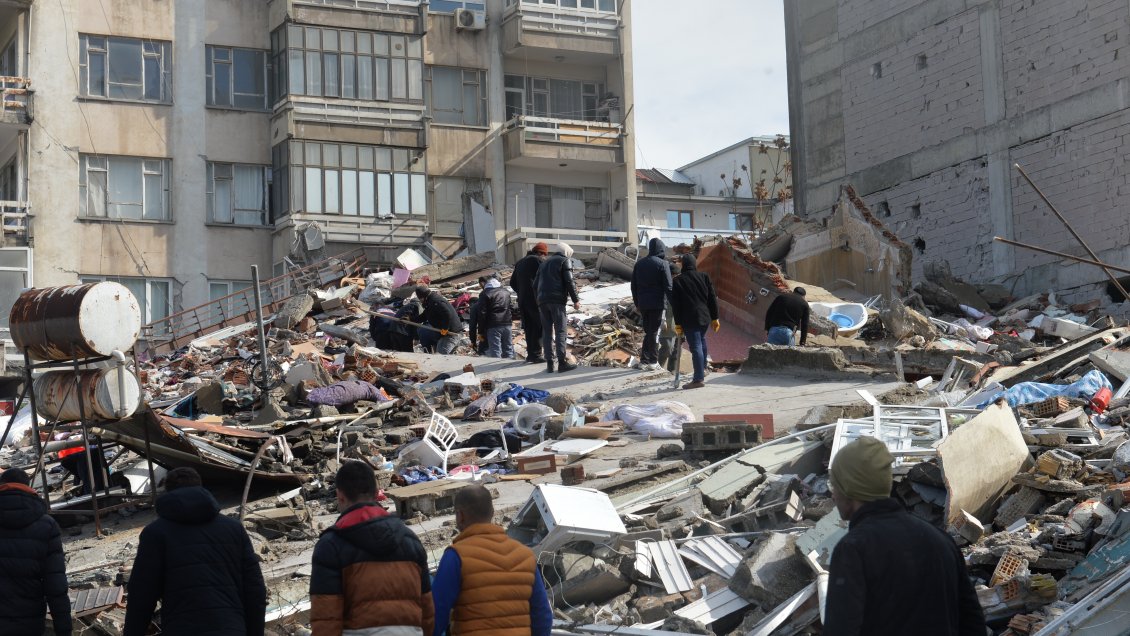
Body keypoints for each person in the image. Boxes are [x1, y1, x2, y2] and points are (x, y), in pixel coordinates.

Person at [823, 437, 986, 636]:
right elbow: (973, 624)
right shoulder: (940, 540)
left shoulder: (853, 549)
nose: (833, 495)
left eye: (835, 486)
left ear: (850, 488)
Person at [124, 467, 266, 636]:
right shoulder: (234, 529)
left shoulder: (155, 534)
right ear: (200, 488)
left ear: (168, 492)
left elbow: (141, 596)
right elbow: (255, 591)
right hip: (231, 628)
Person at [311, 461, 433, 636]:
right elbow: (427, 612)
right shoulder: (410, 540)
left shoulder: (330, 546)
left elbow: (326, 620)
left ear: (340, 496)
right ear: (377, 494)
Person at [432, 484, 552, 636]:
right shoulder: (525, 556)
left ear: (460, 515)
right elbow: (542, 616)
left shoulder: (456, 556)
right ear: (492, 512)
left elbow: (436, 614)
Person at [0, 468, 71, 636]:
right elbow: (56, 585)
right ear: (29, 487)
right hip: (29, 621)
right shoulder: (47, 525)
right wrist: (64, 630)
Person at [670, 253, 720, 390]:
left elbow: (676, 305)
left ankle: (698, 379)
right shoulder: (704, 276)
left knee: (696, 346)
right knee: (701, 341)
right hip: (704, 317)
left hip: (689, 318)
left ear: (683, 265)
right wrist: (715, 317)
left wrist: (678, 323)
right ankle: (703, 369)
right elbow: (712, 298)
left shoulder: (678, 281)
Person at [534, 242, 581, 373]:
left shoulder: (543, 264)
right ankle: (561, 362)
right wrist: (576, 300)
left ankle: (549, 364)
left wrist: (538, 300)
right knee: (560, 331)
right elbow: (569, 281)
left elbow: (535, 285)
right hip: (557, 301)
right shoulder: (564, 261)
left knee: (547, 332)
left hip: (542, 301)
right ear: (566, 252)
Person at [630, 238, 673, 371]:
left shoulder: (639, 264)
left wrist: (637, 303)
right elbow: (668, 286)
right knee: (654, 332)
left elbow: (633, 286)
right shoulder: (663, 264)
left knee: (648, 331)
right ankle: (653, 362)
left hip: (643, 304)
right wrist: (674, 303)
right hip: (657, 304)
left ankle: (644, 361)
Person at [510, 242, 549, 364]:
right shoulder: (538, 261)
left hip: (522, 301)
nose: (545, 257)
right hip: (535, 299)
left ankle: (531, 355)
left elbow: (512, 282)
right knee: (538, 325)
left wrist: (521, 292)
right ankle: (536, 354)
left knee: (529, 327)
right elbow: (547, 278)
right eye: (545, 255)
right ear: (541, 253)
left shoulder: (520, 262)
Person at [416, 285, 464, 354]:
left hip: (451, 333)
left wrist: (445, 328)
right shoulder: (429, 302)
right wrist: (411, 319)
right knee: (446, 356)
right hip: (448, 333)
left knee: (440, 355)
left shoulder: (435, 301)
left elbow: (447, 314)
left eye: (420, 299)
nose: (420, 301)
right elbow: (424, 316)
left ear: (423, 296)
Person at [476, 274, 515, 359]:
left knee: (495, 351)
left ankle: (496, 367)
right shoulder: (505, 291)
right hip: (507, 324)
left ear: (482, 283)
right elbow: (511, 308)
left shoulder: (485, 293)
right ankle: (510, 366)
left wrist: (481, 331)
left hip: (493, 325)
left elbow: (482, 313)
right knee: (508, 349)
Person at [656, 297, 679, 373]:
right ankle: (658, 366)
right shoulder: (666, 292)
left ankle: (672, 369)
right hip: (668, 321)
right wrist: (663, 319)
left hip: (680, 321)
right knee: (667, 346)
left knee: (677, 349)